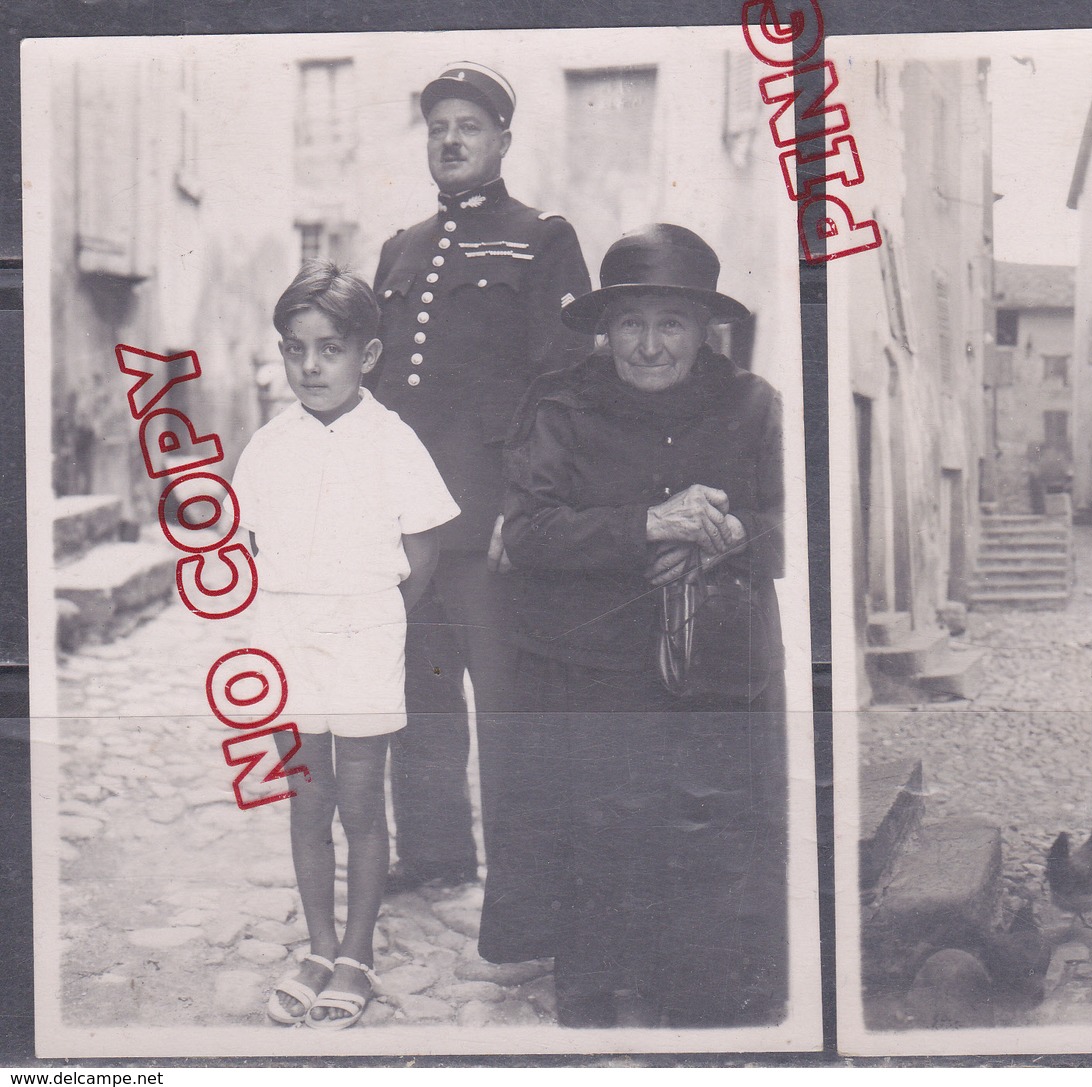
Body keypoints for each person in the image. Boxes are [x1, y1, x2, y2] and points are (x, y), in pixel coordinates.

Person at [481, 223, 788, 1028]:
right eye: (630, 324)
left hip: (713, 661)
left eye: (670, 324)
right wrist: (648, 525)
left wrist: (733, 540)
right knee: (599, 817)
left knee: (703, 820)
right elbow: (527, 532)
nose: (648, 346)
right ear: (606, 329)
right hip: (586, 657)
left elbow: (795, 526)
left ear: (704, 330)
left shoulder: (752, 406)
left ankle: (695, 984)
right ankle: (594, 977)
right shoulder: (560, 406)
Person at [367, 63, 592, 893]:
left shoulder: (541, 238)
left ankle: (526, 877)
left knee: (507, 705)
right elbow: (382, 392)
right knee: (417, 694)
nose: (450, 140)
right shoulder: (401, 248)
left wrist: (525, 507)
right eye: (437, 128)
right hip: (410, 527)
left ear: (502, 139)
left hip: (493, 522)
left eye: (468, 126)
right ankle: (432, 854)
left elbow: (562, 387)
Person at [234, 262, 460, 1028]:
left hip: (365, 628)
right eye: (295, 349)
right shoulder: (267, 445)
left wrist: (373, 616)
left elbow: (422, 550)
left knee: (361, 799)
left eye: (329, 348)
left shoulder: (392, 439)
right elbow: (256, 540)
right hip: (289, 631)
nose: (311, 366)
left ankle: (357, 951)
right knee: (306, 798)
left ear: (367, 355)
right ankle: (318, 943)